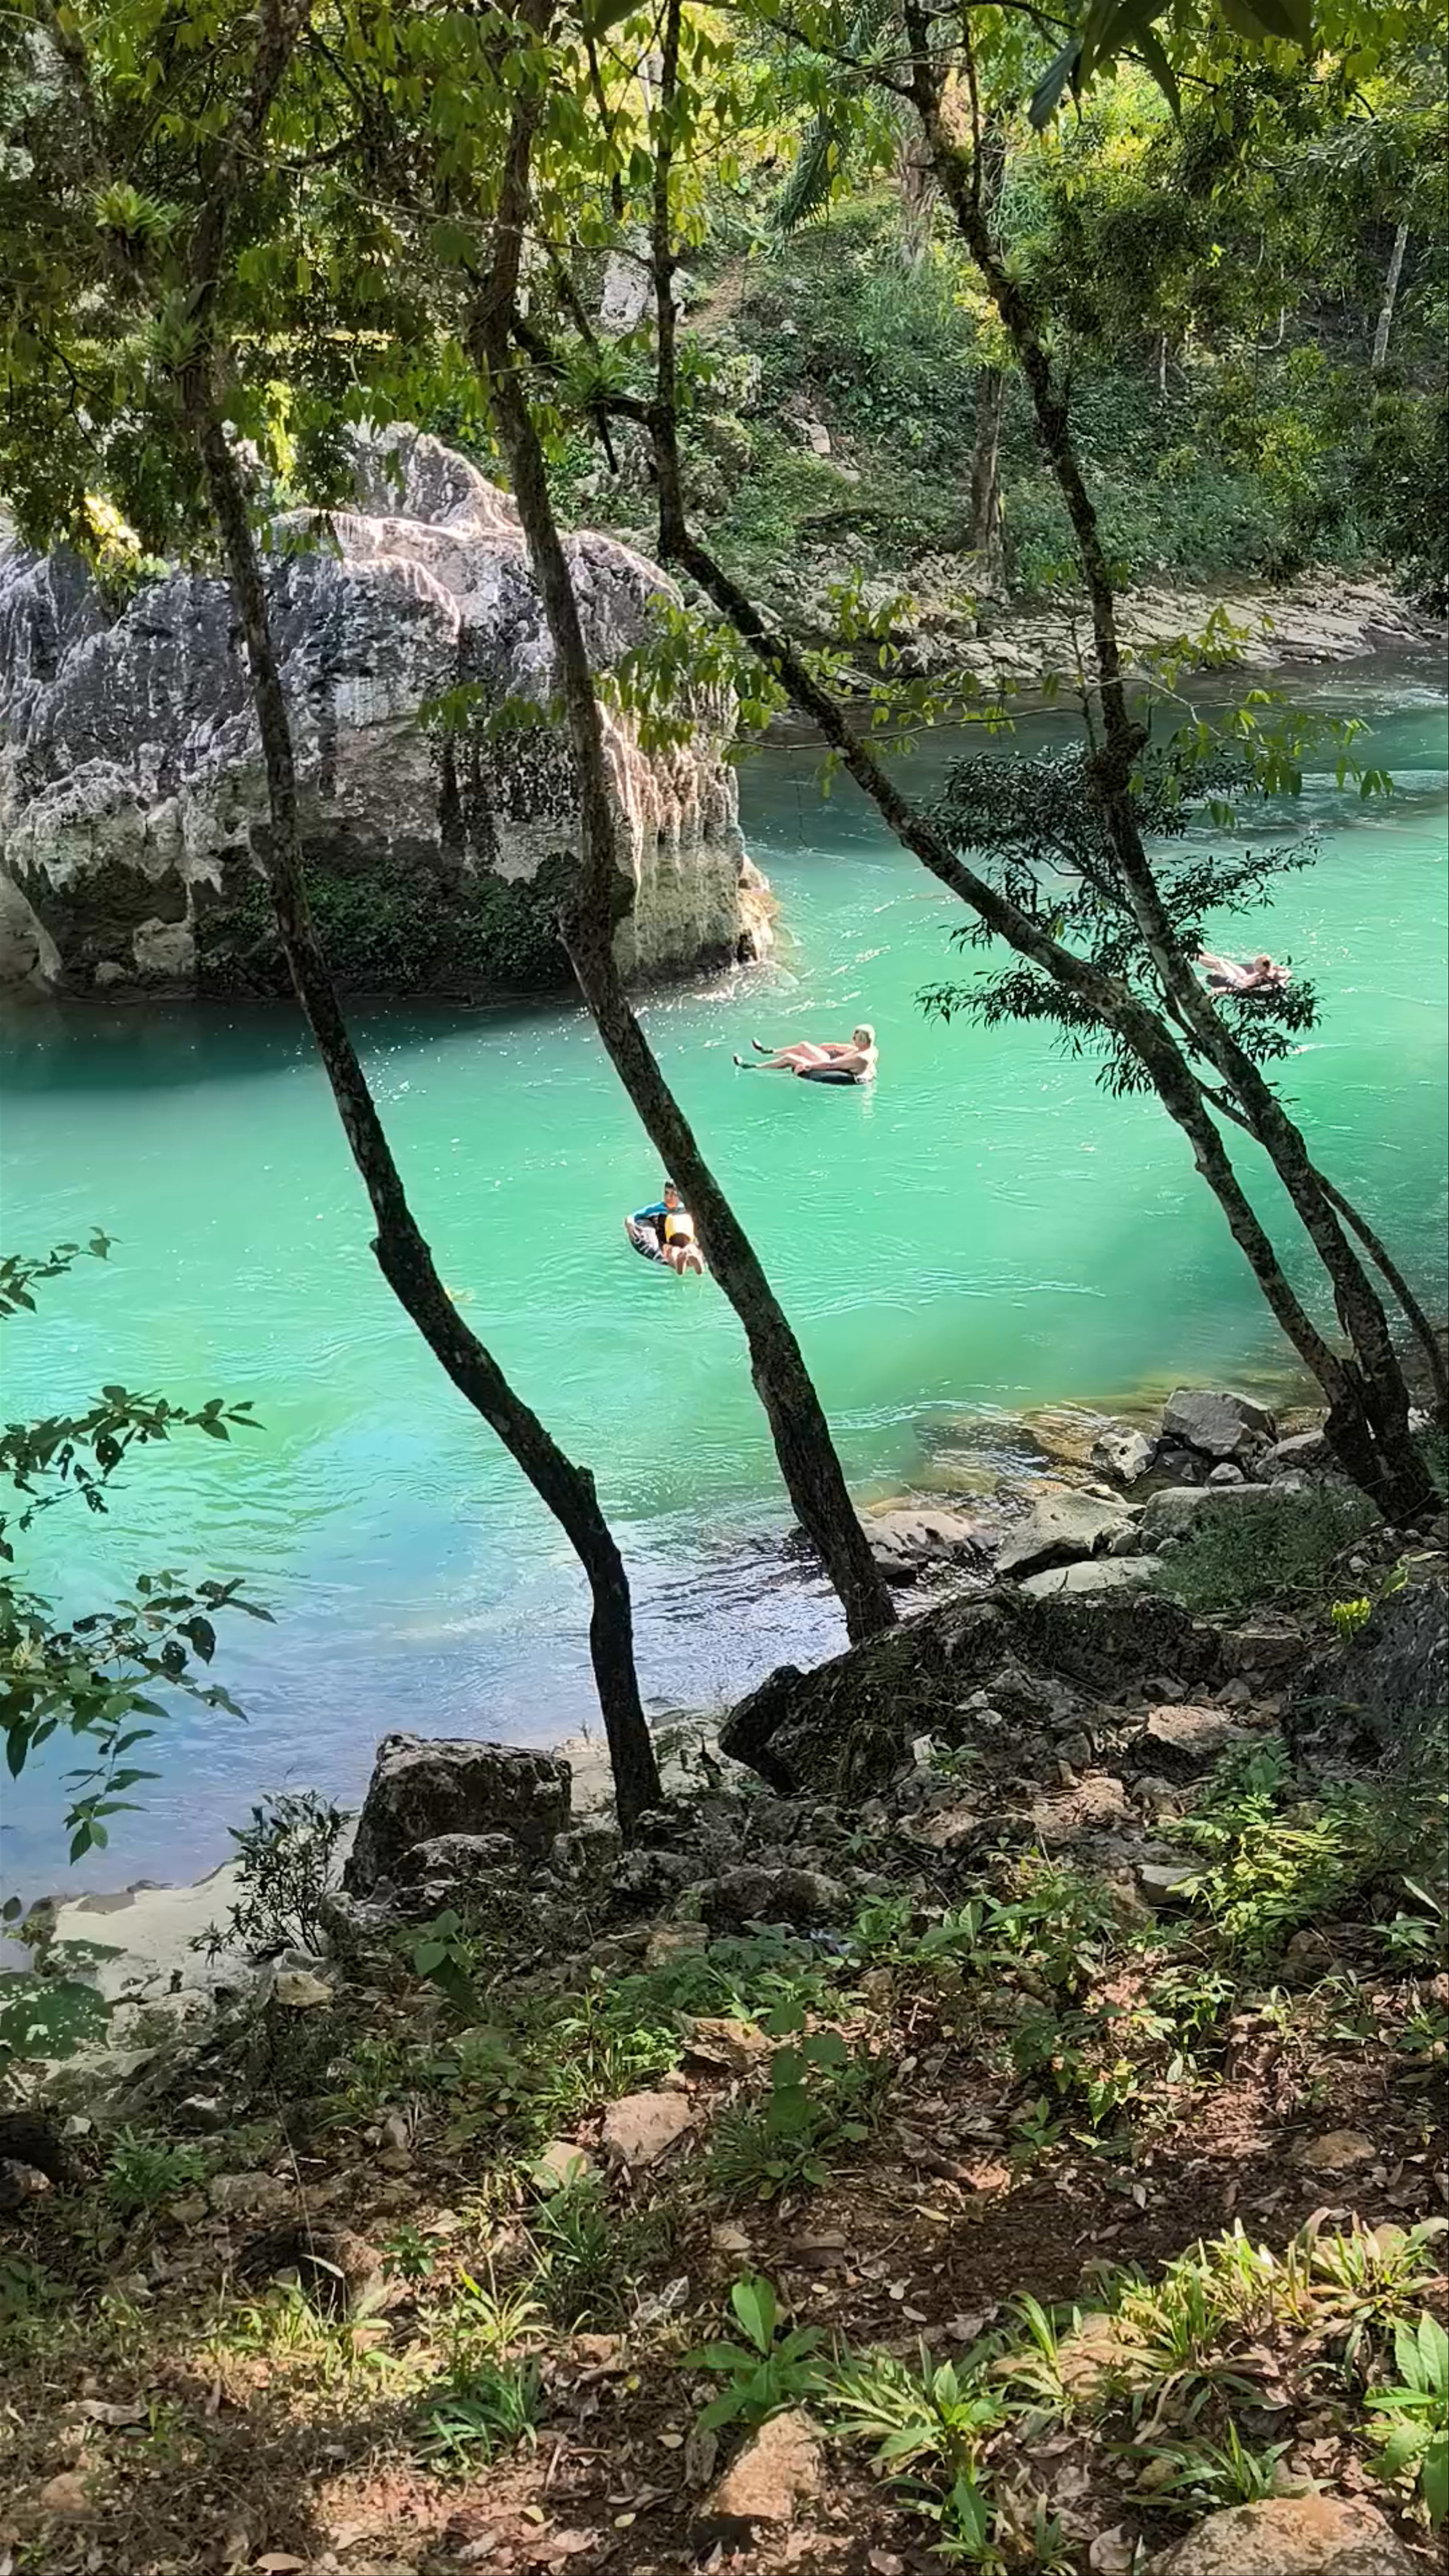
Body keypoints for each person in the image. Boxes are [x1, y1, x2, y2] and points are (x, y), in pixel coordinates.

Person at [733, 1023, 878, 1083]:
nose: (853, 1038)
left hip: (837, 1069)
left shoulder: (861, 1058)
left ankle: (752, 1066)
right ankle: (768, 1051)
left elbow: (830, 1066)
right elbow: (843, 1048)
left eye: (856, 1037)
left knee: (790, 1058)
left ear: (863, 1040)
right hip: (837, 1064)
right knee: (804, 1045)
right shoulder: (869, 1049)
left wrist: (808, 1067)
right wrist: (829, 1046)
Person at [633, 1180, 705, 1274]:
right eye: (666, 1193)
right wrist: (630, 1225)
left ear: (681, 1196)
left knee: (675, 1251)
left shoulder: (686, 1208)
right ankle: (689, 1260)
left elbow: (635, 1216)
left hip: (680, 1239)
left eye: (674, 1194)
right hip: (678, 1241)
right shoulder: (663, 1207)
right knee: (685, 1249)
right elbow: (635, 1217)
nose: (669, 1197)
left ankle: (683, 1263)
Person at [1197, 950, 1290, 995]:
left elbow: (1242, 988)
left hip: (1237, 981)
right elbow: (1288, 972)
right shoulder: (1273, 969)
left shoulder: (1261, 979)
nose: (1255, 967)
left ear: (1264, 967)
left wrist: (1219, 991)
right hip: (1245, 976)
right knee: (1227, 962)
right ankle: (1201, 952)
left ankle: (1195, 957)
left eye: (1257, 966)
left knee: (1219, 964)